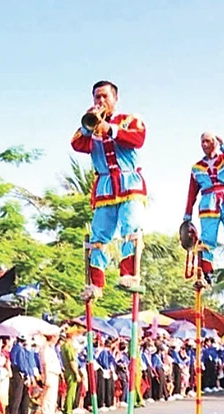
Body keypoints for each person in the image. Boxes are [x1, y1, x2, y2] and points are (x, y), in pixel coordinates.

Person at [71, 80, 147, 300]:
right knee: (98, 235)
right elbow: (77, 144)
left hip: (129, 182)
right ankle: (95, 284)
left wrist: (110, 129)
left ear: (115, 98)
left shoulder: (130, 120)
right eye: (97, 97)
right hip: (104, 185)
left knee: (130, 227)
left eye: (105, 96)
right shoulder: (89, 127)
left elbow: (137, 139)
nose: (101, 101)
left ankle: (129, 273)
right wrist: (89, 126)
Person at [182, 132, 224, 284]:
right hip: (208, 203)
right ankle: (207, 271)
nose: (205, 145)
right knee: (207, 238)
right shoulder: (196, 168)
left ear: (215, 142)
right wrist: (187, 215)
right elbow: (192, 192)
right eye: (202, 142)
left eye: (208, 141)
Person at [39, 331, 61, 414]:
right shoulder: (45, 349)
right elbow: (45, 364)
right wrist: (45, 377)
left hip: (54, 373)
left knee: (53, 396)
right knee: (48, 396)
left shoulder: (51, 348)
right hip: (49, 373)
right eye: (55, 337)